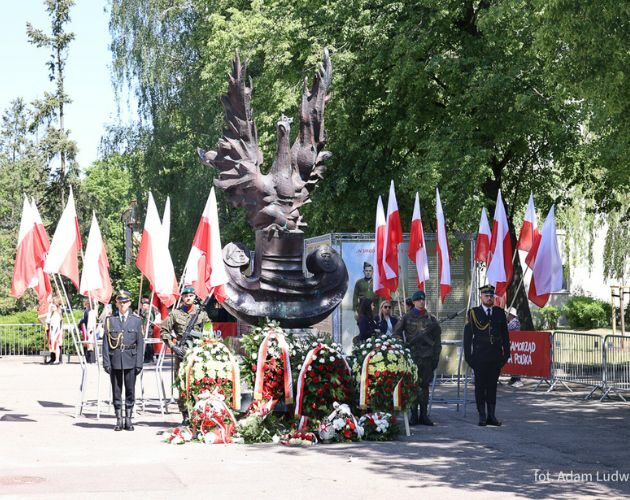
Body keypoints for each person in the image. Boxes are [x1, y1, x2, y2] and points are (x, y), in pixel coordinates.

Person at [160, 286, 210, 425]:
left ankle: (199, 412)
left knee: (199, 382)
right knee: (182, 384)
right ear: (182, 298)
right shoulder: (175, 314)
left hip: (199, 355)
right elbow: (164, 332)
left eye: (191, 296)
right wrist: (174, 347)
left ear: (195, 297)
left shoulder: (202, 314)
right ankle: (185, 414)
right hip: (182, 354)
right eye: (186, 296)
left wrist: (205, 344)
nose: (188, 298)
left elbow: (208, 331)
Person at [464, 284, 510, 427]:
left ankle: (492, 415)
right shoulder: (473, 313)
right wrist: (468, 356)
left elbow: (505, 336)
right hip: (479, 357)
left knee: (492, 387)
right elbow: (467, 336)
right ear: (481, 297)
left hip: (495, 357)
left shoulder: (499, 313)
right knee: (480, 386)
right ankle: (482, 415)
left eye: (491, 296)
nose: (489, 298)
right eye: (486, 296)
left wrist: (506, 354)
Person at [394, 290, 442, 426]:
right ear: (414, 302)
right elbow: (396, 333)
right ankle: (414, 415)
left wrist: (435, 358)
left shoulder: (431, 319)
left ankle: (424, 415)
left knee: (424, 386)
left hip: (427, 358)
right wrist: (403, 346)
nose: (421, 302)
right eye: (419, 300)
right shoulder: (407, 317)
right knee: (413, 386)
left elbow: (437, 342)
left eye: (423, 299)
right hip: (413, 357)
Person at [102, 290, 144, 432]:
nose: (123, 305)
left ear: (130, 303)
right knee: (116, 391)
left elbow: (140, 344)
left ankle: (128, 419)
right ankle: (119, 419)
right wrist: (106, 362)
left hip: (130, 360)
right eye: (120, 302)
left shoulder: (136, 320)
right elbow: (106, 344)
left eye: (125, 302)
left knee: (130, 391)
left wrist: (139, 363)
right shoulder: (110, 321)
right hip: (115, 360)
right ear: (117, 303)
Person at [139, 297, 161, 363]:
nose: (143, 306)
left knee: (148, 344)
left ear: (148, 306)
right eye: (143, 305)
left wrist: (144, 330)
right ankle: (149, 357)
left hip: (148, 329)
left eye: (144, 305)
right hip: (148, 329)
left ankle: (149, 357)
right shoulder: (146, 312)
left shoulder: (148, 312)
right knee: (148, 344)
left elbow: (146, 322)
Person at [506, 307, 523, 387]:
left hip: (515, 345)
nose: (506, 315)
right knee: (512, 360)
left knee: (515, 361)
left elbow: (506, 329)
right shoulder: (510, 321)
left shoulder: (515, 322)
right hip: (511, 345)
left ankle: (517, 379)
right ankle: (513, 378)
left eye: (508, 314)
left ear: (511, 315)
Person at [45, 295, 63, 364]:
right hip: (52, 330)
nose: (51, 307)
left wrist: (57, 333)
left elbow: (58, 325)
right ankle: (54, 359)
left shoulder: (58, 314)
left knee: (57, 345)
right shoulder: (53, 313)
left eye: (53, 305)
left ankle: (57, 359)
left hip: (56, 331)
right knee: (52, 344)